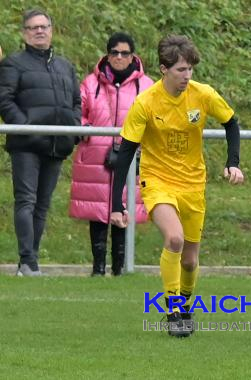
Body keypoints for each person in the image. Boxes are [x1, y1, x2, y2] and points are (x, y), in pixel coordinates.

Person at [110, 35, 244, 337]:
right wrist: (116, 202)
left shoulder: (203, 94)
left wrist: (233, 162)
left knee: (190, 260)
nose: (187, 76)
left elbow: (231, 122)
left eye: (190, 70)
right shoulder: (146, 103)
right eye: (181, 70)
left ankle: (185, 304)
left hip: (193, 184)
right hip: (157, 181)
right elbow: (127, 151)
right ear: (163, 69)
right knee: (174, 239)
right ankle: (173, 310)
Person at [0, 10, 81, 276]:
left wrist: (73, 131)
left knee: (42, 205)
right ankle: (27, 260)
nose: (39, 31)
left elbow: (76, 103)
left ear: (51, 30)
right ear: (24, 33)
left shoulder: (65, 67)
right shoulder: (13, 64)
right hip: (26, 146)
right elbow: (5, 100)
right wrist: (25, 129)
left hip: (57, 144)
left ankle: (30, 260)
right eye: (33, 27)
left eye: (43, 26)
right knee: (26, 200)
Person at [69, 32, 154, 276]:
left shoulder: (147, 86)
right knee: (96, 212)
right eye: (114, 52)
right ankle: (98, 268)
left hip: (132, 156)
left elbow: (155, 116)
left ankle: (119, 268)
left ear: (132, 56)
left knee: (125, 207)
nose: (119, 57)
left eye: (124, 53)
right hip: (95, 155)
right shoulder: (90, 83)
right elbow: (79, 111)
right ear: (108, 54)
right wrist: (84, 129)